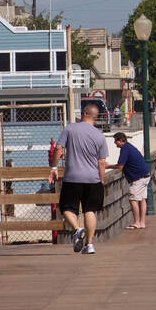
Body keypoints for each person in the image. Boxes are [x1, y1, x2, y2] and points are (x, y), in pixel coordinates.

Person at [48, 102, 109, 255]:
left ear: (83, 114)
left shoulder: (70, 128)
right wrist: (101, 180)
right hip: (93, 179)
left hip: (72, 177)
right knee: (90, 210)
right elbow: (101, 162)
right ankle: (89, 245)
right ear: (95, 117)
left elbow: (58, 148)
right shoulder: (100, 136)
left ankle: (77, 229)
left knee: (67, 208)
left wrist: (54, 168)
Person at [113, 132, 152, 229]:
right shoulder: (130, 147)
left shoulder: (125, 149)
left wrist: (107, 166)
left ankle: (136, 222)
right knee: (142, 199)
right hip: (145, 175)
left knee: (133, 199)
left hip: (138, 178)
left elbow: (120, 166)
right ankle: (142, 222)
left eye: (116, 141)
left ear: (121, 140)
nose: (115, 143)